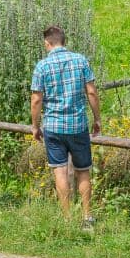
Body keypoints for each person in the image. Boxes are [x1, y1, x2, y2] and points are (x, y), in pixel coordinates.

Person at [30, 25, 101, 227]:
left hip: (53, 126)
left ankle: (67, 218)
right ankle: (87, 217)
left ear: (47, 43)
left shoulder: (42, 66)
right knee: (83, 170)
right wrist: (97, 119)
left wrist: (35, 126)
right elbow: (92, 93)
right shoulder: (81, 60)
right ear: (64, 41)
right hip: (78, 125)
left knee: (60, 171)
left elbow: (36, 100)